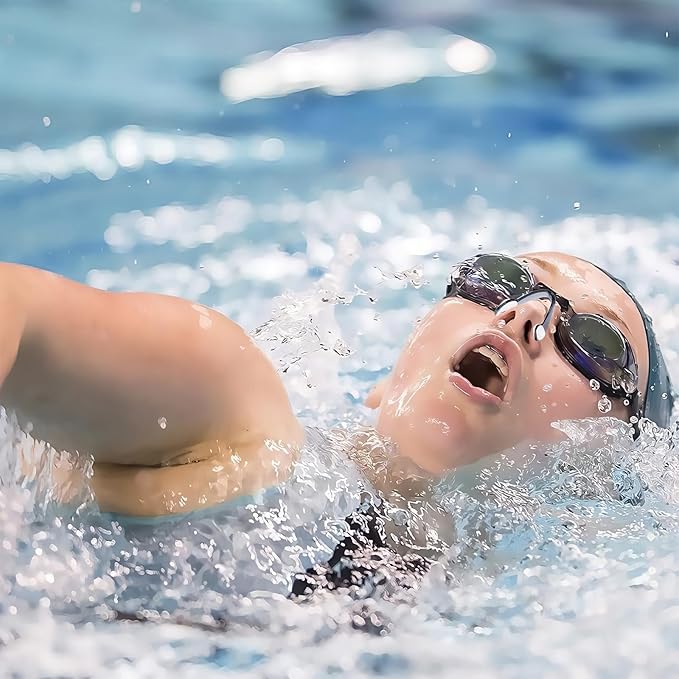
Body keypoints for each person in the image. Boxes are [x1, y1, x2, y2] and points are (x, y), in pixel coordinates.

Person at [0, 252, 673, 522]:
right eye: (494, 278)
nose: (524, 313)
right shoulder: (234, 418)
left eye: (593, 342)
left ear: (604, 473)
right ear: (385, 381)